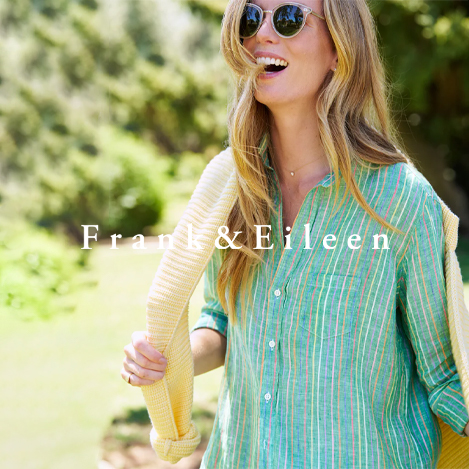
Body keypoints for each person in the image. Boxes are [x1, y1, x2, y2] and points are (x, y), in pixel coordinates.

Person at [121, 0, 469, 467]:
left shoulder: (401, 200)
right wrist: (164, 359)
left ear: (339, 50)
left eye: (287, 18)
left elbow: (446, 373)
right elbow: (221, 318)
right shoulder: (232, 189)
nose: (261, 34)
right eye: (250, 18)